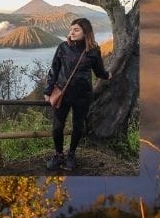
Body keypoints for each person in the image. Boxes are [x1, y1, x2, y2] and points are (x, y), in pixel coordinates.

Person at [43, 17, 111, 172]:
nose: (71, 32)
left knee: (78, 126)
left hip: (83, 95)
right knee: (57, 128)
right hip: (63, 94)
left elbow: (99, 71)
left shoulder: (93, 51)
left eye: (76, 29)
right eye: (71, 29)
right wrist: (48, 90)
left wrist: (107, 75)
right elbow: (54, 69)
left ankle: (71, 154)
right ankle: (59, 154)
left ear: (85, 32)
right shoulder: (63, 47)